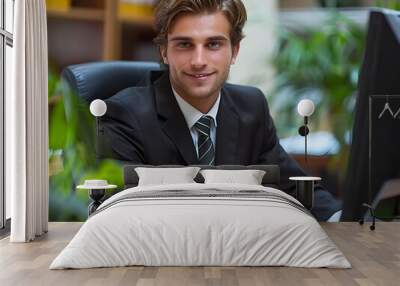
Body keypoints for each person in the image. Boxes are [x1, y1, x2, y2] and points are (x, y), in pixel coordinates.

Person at [102, 0, 341, 221]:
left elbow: (292, 186)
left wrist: (340, 218)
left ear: (234, 51)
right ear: (164, 51)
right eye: (184, 44)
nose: (198, 60)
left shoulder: (251, 106)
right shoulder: (125, 115)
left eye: (213, 44)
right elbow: (123, 212)